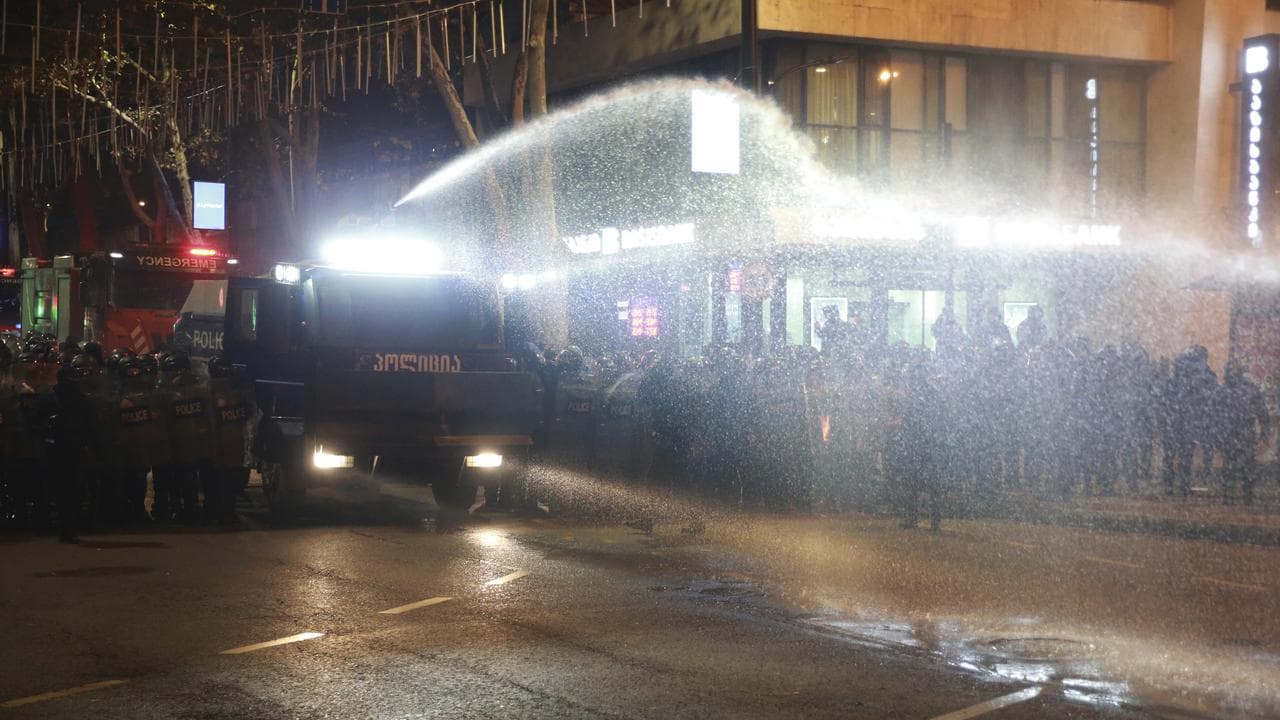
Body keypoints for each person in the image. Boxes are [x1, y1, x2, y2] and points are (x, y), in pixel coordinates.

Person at [206, 355, 255, 524]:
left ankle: (217, 511)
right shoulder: (237, 394)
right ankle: (227, 512)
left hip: (216, 446)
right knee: (229, 481)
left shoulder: (207, 393)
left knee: (216, 481)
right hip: (234, 445)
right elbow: (249, 414)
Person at [48, 366, 94, 543]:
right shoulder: (81, 399)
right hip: (74, 448)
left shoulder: (51, 397)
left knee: (59, 489)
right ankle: (70, 526)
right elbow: (90, 426)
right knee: (73, 489)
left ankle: (63, 525)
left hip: (54, 448)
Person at [1215, 360, 1270, 505]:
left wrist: (1215, 434)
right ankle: (1247, 495)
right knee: (1247, 464)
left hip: (1229, 432)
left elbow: (1214, 415)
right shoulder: (1250, 388)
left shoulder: (1223, 390)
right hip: (1244, 431)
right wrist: (1264, 431)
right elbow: (1262, 411)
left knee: (1229, 465)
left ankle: (1229, 495)